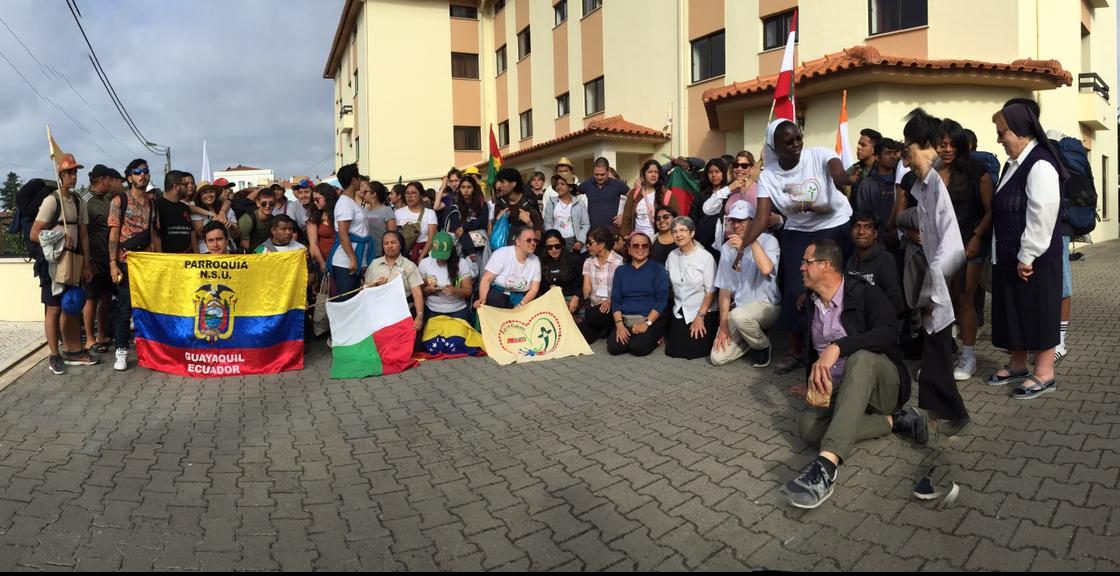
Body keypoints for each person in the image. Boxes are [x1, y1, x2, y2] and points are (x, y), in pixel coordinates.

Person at [782, 239, 924, 510]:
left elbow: (888, 332)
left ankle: (825, 468)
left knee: (859, 359)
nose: (800, 267)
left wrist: (839, 347)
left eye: (806, 262)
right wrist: (810, 381)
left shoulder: (864, 293)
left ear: (825, 265)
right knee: (808, 428)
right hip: (841, 389)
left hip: (882, 385)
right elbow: (814, 353)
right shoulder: (812, 302)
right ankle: (895, 422)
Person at [745, 119, 858, 375]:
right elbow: (761, 218)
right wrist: (743, 246)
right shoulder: (768, 175)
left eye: (798, 138)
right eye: (789, 142)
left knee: (835, 284)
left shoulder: (819, 154)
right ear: (775, 147)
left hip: (834, 224)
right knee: (795, 289)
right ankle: (795, 351)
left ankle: (842, 344)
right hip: (797, 231)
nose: (797, 144)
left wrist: (848, 178)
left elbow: (838, 174)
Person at [987, 102, 1066, 400]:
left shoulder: (1040, 164)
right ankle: (1018, 365)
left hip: (1035, 259)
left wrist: (1027, 254)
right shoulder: (1013, 163)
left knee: (1038, 311)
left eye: (1002, 133)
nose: (999, 139)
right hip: (1011, 256)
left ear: (1021, 131)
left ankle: (1045, 374)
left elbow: (1042, 214)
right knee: (1014, 311)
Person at [902, 108, 969, 430]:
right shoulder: (924, 186)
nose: (907, 159)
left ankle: (953, 415)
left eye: (909, 150)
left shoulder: (938, 186)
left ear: (926, 146)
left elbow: (953, 245)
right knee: (934, 353)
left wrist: (932, 287)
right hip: (934, 282)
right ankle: (938, 413)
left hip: (937, 284)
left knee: (938, 351)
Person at [934, 119, 994, 381]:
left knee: (964, 299)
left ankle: (968, 356)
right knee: (939, 301)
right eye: (942, 144)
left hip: (970, 245)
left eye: (952, 144)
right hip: (938, 247)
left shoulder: (977, 172)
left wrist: (977, 237)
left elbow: (991, 210)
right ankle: (940, 356)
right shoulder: (930, 172)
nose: (947, 149)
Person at [32, 153, 97, 374]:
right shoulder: (52, 200)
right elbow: (35, 234)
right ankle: (54, 354)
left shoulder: (79, 201)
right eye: (69, 172)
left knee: (71, 305)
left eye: (75, 172)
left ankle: (72, 351)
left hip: (72, 261)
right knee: (53, 308)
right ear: (60, 175)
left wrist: (86, 264)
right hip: (52, 263)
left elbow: (84, 235)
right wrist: (59, 238)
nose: (73, 176)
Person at [710, 201, 781, 368]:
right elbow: (724, 288)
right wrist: (723, 324)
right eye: (733, 220)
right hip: (740, 309)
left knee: (739, 316)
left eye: (742, 220)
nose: (736, 225)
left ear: (753, 221)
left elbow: (766, 269)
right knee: (717, 358)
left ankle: (762, 346)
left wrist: (749, 241)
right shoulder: (727, 247)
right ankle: (751, 338)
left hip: (766, 305)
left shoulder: (769, 241)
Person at [108, 158, 160, 372]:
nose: (142, 175)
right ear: (129, 177)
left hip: (147, 262)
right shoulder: (119, 201)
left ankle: (152, 351)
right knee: (124, 308)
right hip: (126, 262)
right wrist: (113, 263)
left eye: (145, 171)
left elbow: (155, 234)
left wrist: (159, 260)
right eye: (137, 172)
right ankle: (121, 351)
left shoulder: (153, 203)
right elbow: (113, 234)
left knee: (149, 308)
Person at [81, 165, 123, 355]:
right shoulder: (85, 201)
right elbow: (82, 233)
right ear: (103, 180)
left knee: (106, 296)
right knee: (91, 298)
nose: (112, 182)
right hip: (93, 258)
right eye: (109, 179)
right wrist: (87, 261)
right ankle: (90, 339)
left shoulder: (107, 199)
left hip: (109, 258)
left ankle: (101, 335)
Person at [664, 217, 717, 359]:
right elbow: (668, 283)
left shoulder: (705, 257)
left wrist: (700, 316)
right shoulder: (672, 256)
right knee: (673, 351)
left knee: (694, 352)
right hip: (680, 307)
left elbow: (711, 291)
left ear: (692, 233)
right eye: (675, 231)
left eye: (683, 230)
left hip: (702, 309)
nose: (678, 235)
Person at [608, 231, 669, 356]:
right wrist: (619, 325)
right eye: (635, 245)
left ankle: (658, 338)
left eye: (644, 245)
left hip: (649, 319)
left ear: (649, 249)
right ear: (629, 249)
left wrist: (646, 323)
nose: (640, 248)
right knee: (615, 348)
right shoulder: (620, 271)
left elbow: (662, 300)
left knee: (638, 348)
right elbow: (616, 300)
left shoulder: (658, 269)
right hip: (626, 319)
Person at [364, 230, 425, 332]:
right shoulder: (374, 264)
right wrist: (376, 285)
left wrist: (419, 316)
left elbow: (417, 294)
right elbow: (364, 289)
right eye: (386, 243)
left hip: (402, 312)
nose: (389, 246)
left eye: (393, 242)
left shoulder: (409, 265)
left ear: (400, 245)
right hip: (378, 312)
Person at [845, 212, 904, 318]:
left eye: (867, 227)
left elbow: (896, 303)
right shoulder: (849, 260)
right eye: (857, 226)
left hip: (880, 320)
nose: (861, 232)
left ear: (875, 233)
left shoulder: (885, 259)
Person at [330, 164, 372, 302]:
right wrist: (352, 258)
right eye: (358, 177)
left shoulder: (351, 201)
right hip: (345, 261)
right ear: (354, 180)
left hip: (356, 254)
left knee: (354, 299)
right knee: (346, 300)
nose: (360, 181)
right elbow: (343, 233)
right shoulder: (345, 203)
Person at [476, 225, 542, 309]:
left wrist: (520, 306)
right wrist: (482, 299)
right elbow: (487, 279)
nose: (533, 243)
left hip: (520, 297)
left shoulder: (535, 260)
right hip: (498, 294)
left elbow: (534, 289)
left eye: (535, 240)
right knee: (494, 299)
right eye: (529, 240)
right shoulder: (501, 253)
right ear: (517, 242)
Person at [580, 226, 625, 343]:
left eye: (590, 243)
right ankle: (603, 328)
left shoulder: (618, 262)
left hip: (612, 306)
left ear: (601, 244)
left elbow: (622, 289)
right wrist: (586, 301)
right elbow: (586, 287)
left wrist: (610, 301)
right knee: (584, 338)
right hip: (594, 307)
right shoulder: (588, 262)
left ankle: (609, 326)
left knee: (592, 315)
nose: (587, 246)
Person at [853, 138, 904, 241]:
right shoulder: (867, 185)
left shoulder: (903, 181)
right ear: (877, 157)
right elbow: (864, 215)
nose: (893, 157)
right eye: (888, 153)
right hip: (878, 241)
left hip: (903, 238)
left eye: (894, 153)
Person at [418, 231, 474, 323]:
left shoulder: (462, 263)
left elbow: (468, 291)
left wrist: (455, 290)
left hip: (457, 309)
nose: (440, 259)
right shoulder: (425, 263)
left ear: (451, 250)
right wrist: (429, 289)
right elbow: (419, 292)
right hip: (432, 309)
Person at [447, 175, 490, 270]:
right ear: (459, 189)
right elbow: (456, 229)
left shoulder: (482, 205)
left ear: (474, 189)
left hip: (479, 245)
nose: (466, 190)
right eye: (463, 187)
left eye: (469, 187)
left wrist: (465, 227)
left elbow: (482, 223)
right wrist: (471, 224)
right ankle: (470, 253)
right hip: (462, 246)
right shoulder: (455, 207)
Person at [492, 169, 543, 246]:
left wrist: (529, 223)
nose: (498, 185)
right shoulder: (500, 204)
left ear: (513, 184)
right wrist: (497, 221)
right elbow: (493, 236)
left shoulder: (529, 203)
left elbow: (538, 237)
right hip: (505, 250)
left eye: (502, 182)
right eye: (498, 182)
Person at [543, 174, 589, 254]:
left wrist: (580, 241)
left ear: (570, 187)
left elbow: (585, 224)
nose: (559, 186)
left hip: (575, 241)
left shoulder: (579, 203)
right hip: (557, 243)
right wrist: (552, 239)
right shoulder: (551, 202)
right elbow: (547, 222)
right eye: (557, 184)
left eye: (562, 184)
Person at [579, 157, 630, 230]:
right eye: (596, 174)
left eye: (602, 174)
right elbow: (571, 196)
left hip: (612, 231)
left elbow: (634, 197)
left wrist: (624, 215)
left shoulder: (617, 184)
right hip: (592, 232)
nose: (599, 177)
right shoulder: (587, 184)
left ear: (608, 171)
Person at [691, 158, 729, 254]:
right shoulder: (701, 195)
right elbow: (693, 217)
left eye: (717, 171)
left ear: (724, 173)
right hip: (703, 240)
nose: (714, 175)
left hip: (725, 240)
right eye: (710, 172)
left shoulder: (730, 193)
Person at [540, 230, 582, 313]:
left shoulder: (573, 259)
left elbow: (581, 281)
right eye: (549, 247)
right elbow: (542, 284)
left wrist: (576, 296)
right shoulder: (543, 261)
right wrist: (550, 288)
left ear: (562, 245)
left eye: (557, 246)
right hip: (551, 297)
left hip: (571, 297)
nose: (554, 249)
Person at [155, 170, 197, 254]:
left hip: (186, 258)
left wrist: (197, 255)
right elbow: (155, 235)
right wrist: (161, 258)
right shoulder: (156, 206)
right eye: (185, 184)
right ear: (176, 187)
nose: (188, 187)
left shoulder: (185, 207)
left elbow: (192, 233)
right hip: (167, 259)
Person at [396, 181, 439, 262]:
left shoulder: (430, 213)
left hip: (423, 255)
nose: (409, 196)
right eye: (407, 193)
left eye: (413, 193)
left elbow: (431, 238)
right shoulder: (398, 213)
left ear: (421, 195)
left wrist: (420, 258)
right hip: (403, 257)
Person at [192, 182, 237, 253]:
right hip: (207, 253)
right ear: (199, 197)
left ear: (216, 194)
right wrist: (214, 222)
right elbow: (199, 234)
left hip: (229, 251)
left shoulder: (228, 209)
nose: (209, 195)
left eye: (211, 191)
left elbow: (237, 234)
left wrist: (231, 226)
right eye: (204, 193)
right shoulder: (196, 212)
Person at [362, 180, 397, 259]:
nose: (363, 194)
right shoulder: (364, 210)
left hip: (382, 254)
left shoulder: (387, 211)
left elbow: (393, 235)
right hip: (366, 253)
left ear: (374, 194)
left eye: (365, 192)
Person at [309, 184, 337, 278]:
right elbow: (313, 245)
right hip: (324, 260)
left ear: (328, 197)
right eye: (313, 200)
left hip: (340, 260)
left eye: (317, 199)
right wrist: (322, 263)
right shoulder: (314, 217)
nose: (315, 202)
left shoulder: (339, 213)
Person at [845, 128, 882, 195]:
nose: (858, 147)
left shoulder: (882, 169)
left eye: (863, 145)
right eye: (859, 144)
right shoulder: (855, 168)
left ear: (874, 149)